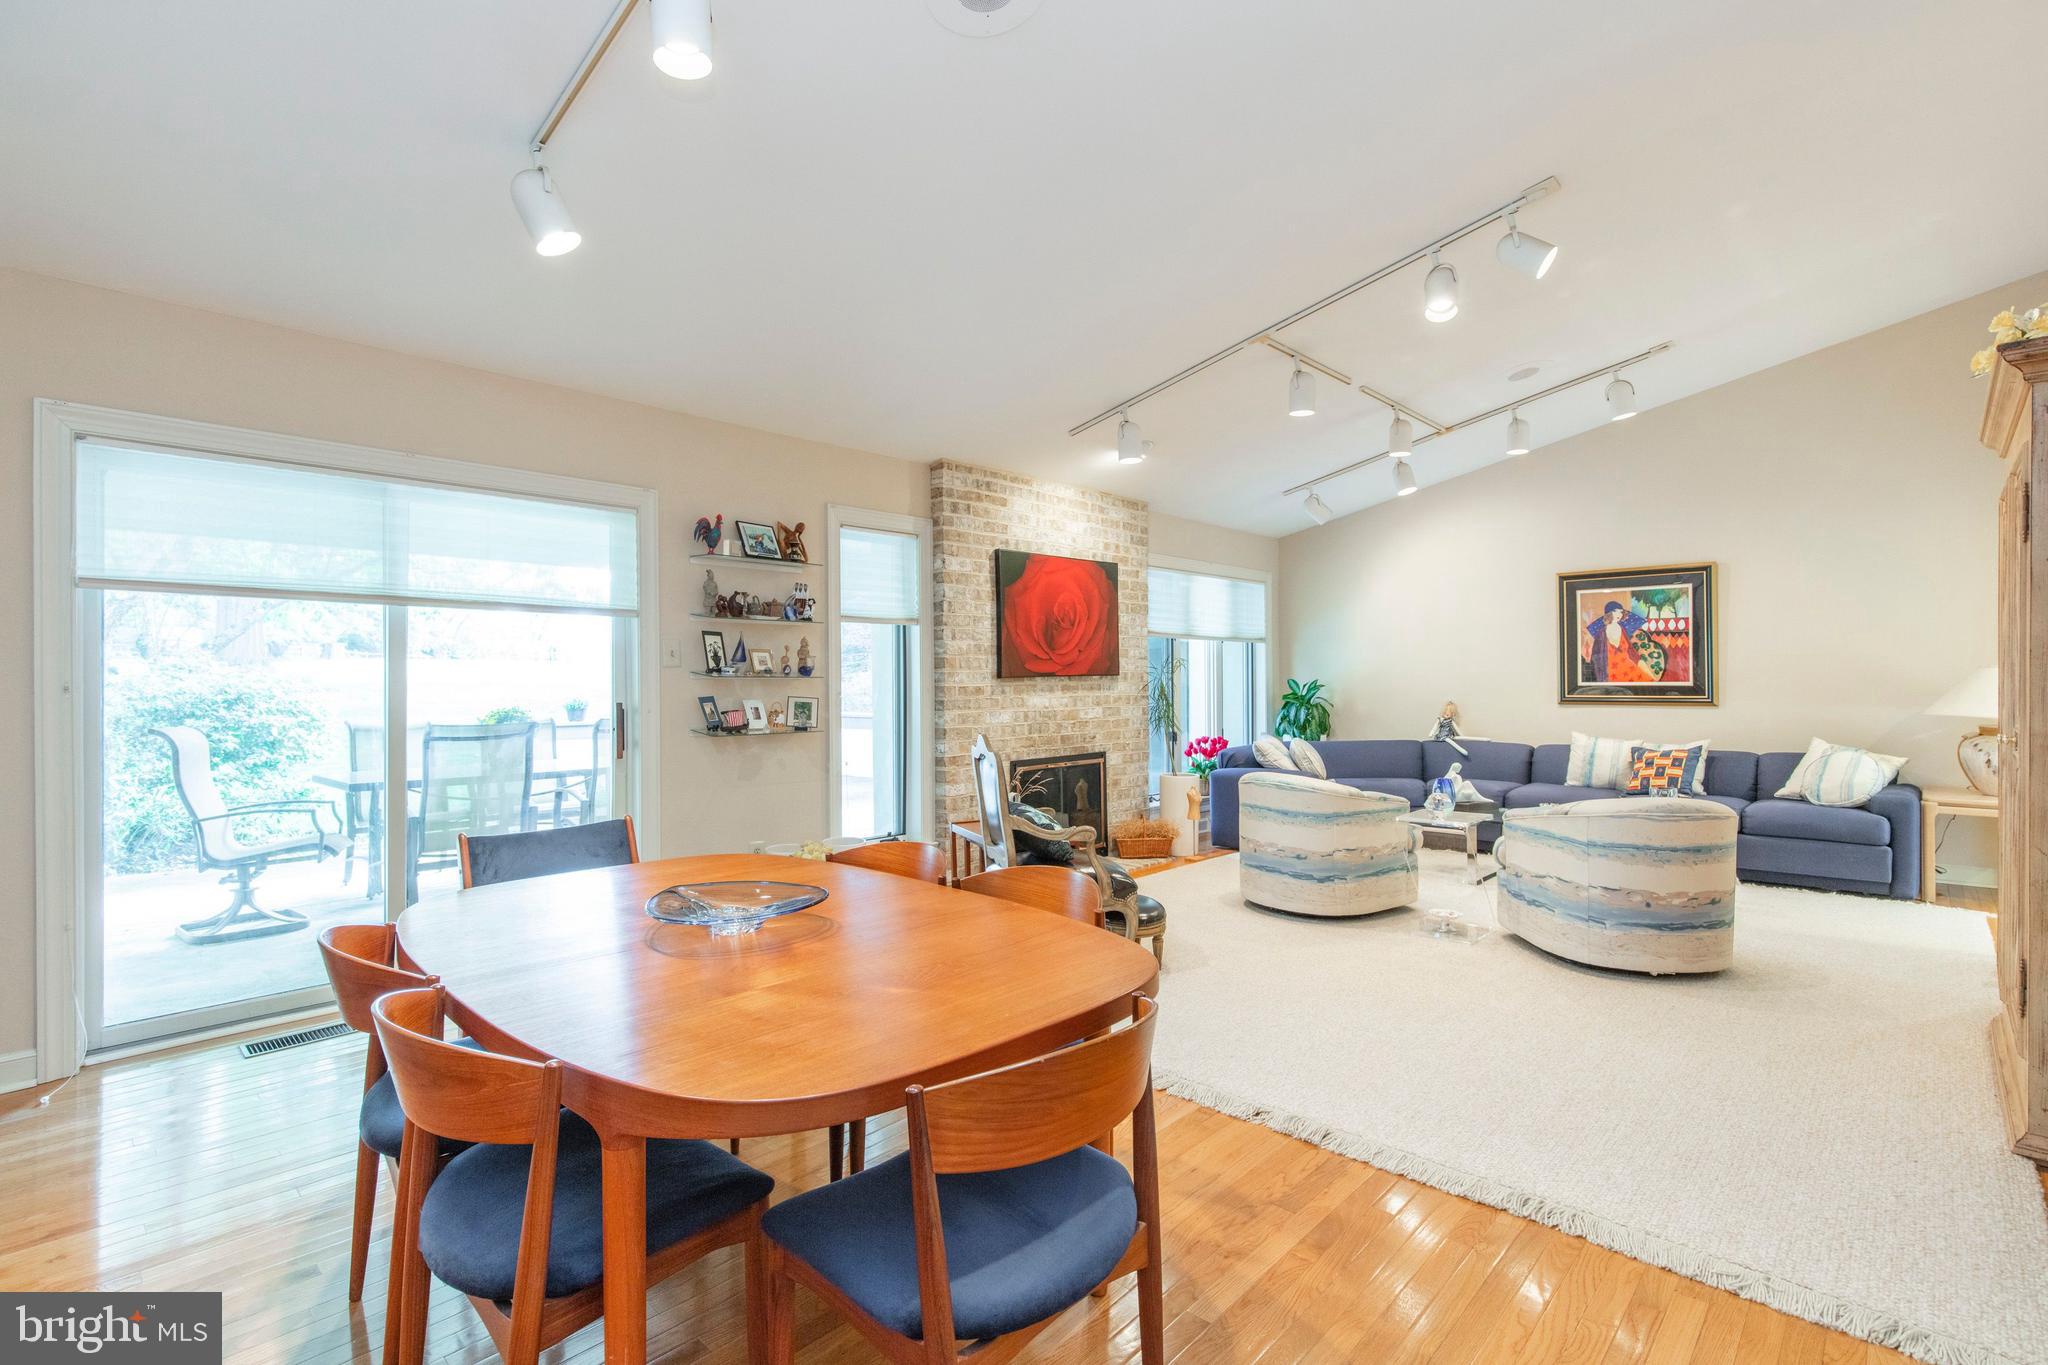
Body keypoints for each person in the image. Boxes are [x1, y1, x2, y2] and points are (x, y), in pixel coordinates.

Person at [1583, 600, 1654, 683]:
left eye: (1621, 612)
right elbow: (1596, 658)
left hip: (1629, 668)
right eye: (1615, 611)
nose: (1619, 614)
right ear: (1608, 613)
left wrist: (1646, 670)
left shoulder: (1622, 629)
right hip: (1610, 672)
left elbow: (1632, 652)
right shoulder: (1601, 633)